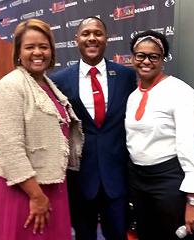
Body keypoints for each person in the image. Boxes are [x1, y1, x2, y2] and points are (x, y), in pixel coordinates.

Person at [0, 18, 83, 240]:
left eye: (43, 47)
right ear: (18, 52)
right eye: (30, 47)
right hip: (21, 189)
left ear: (52, 51)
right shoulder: (10, 86)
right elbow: (10, 150)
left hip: (49, 184)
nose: (38, 52)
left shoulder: (46, 83)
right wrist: (36, 196)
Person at [50, 16, 136, 240]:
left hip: (117, 177)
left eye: (97, 33)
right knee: (84, 235)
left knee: (118, 234)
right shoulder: (59, 80)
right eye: (86, 33)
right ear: (76, 38)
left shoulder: (126, 76)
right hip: (80, 179)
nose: (92, 38)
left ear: (106, 39)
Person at [125, 29, 194, 240]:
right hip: (139, 181)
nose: (146, 61)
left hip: (170, 181)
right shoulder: (133, 96)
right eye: (140, 55)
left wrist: (193, 201)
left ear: (163, 59)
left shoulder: (180, 92)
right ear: (133, 58)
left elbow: (192, 148)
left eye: (154, 56)